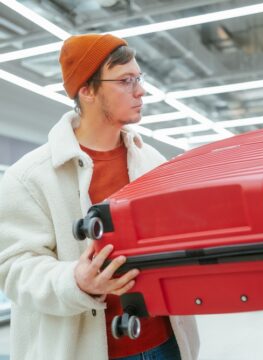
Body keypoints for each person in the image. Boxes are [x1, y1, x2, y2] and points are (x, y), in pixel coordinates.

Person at [0, 33, 200, 360]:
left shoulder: (152, 162)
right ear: (88, 90)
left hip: (166, 342)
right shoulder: (30, 176)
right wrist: (75, 281)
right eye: (125, 80)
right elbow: (13, 269)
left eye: (139, 78)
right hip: (85, 350)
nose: (140, 90)